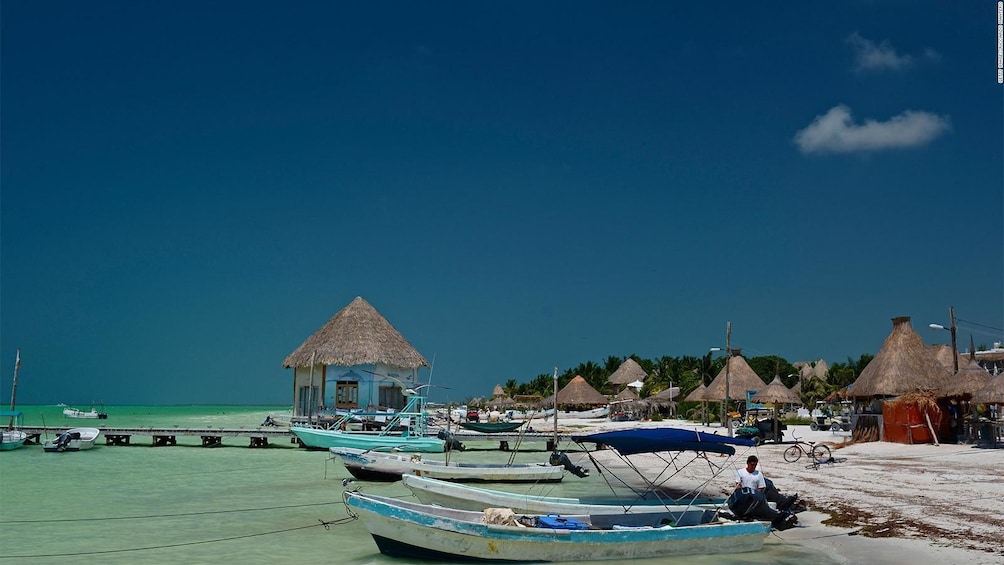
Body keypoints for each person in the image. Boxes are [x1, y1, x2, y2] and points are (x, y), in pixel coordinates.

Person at [728, 455, 798, 530]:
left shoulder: (758, 474)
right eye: (752, 465)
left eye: (755, 465)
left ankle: (782, 517)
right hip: (744, 496)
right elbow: (738, 485)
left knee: (766, 511)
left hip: (755, 497)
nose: (753, 467)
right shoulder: (740, 472)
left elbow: (761, 487)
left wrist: (756, 495)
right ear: (748, 464)